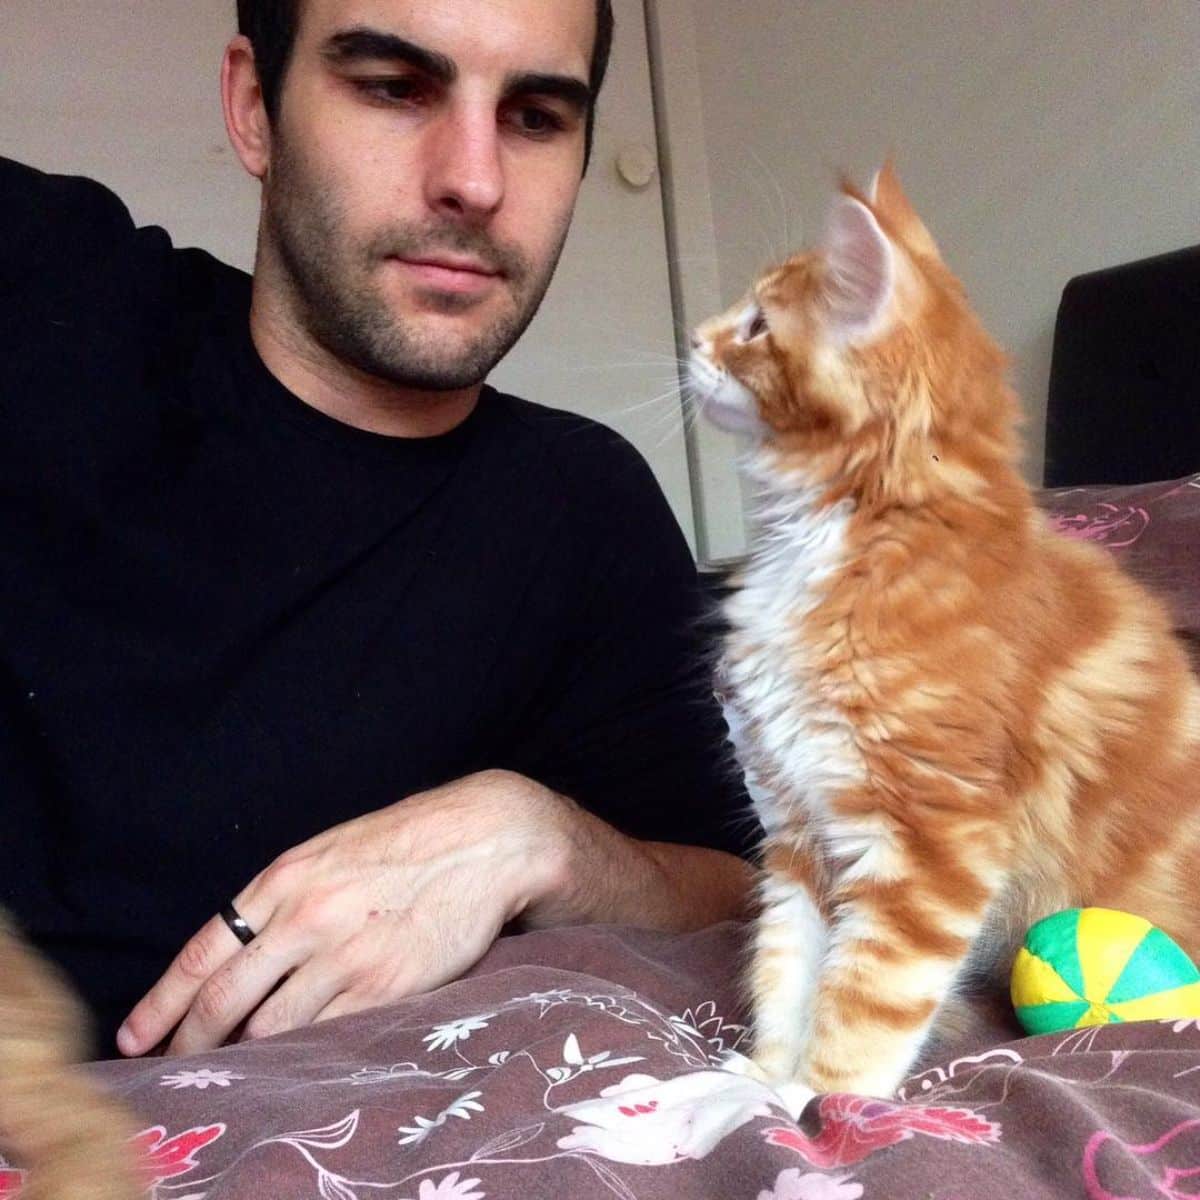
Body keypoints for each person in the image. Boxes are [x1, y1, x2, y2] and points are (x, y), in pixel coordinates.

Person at [0, 0, 755, 1061]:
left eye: (536, 115)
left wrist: (536, 835)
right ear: (254, 107)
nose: (475, 180)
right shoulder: (50, 291)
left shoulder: (581, 509)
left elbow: (736, 892)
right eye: (396, 89)